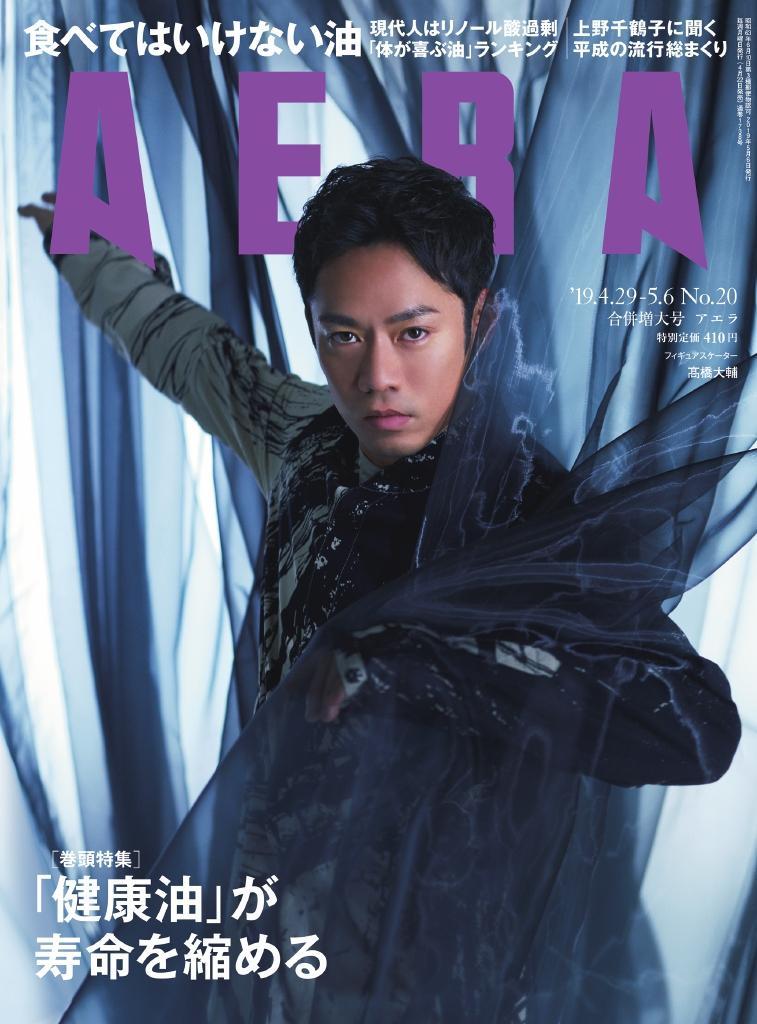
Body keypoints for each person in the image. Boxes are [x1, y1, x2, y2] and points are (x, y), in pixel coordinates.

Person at [19, 158, 743, 1022]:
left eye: (412, 333)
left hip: (432, 989)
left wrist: (412, 661)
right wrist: (93, 258)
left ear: (478, 320)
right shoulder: (307, 442)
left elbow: (694, 728)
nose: (377, 378)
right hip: (269, 963)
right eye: (343, 336)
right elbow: (193, 353)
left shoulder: (532, 520)